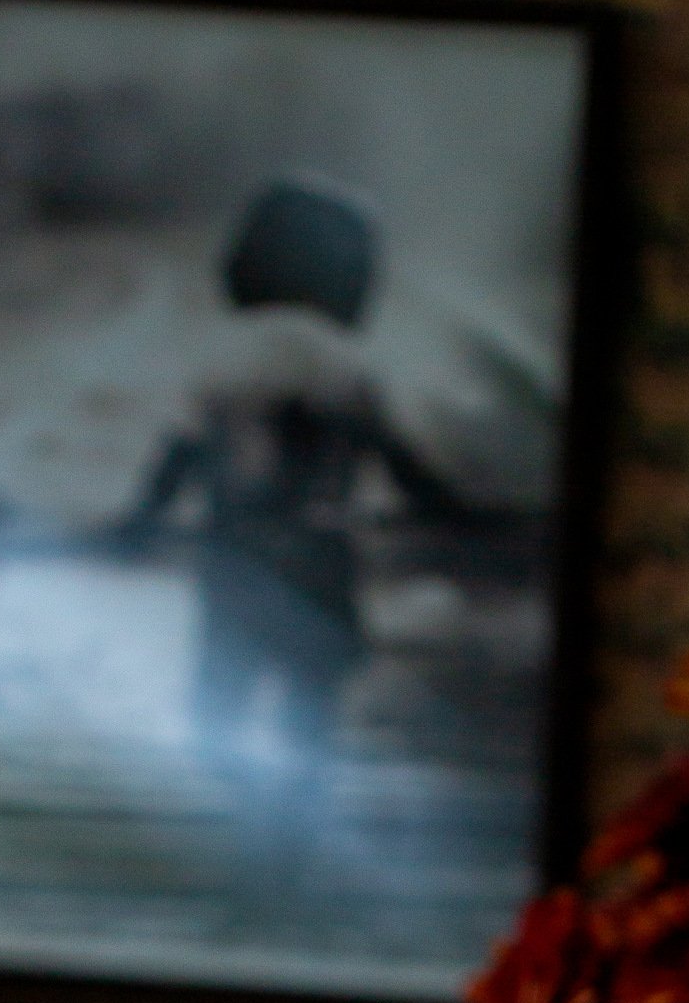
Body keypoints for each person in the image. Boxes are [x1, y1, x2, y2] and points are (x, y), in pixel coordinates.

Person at [123, 174, 475, 765]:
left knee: (222, 693)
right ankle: (304, 812)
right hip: (321, 554)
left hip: (235, 552)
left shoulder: (223, 355)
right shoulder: (349, 365)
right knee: (311, 703)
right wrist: (455, 514)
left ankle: (223, 808)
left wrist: (137, 524)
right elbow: (400, 462)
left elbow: (178, 454)